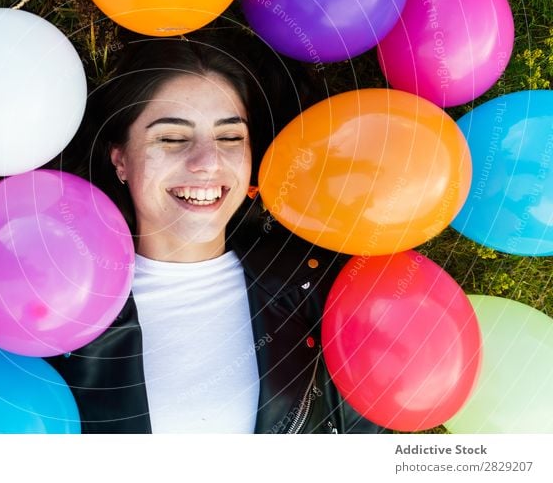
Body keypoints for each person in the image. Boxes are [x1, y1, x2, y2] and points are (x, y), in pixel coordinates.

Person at [47, 26, 384, 434]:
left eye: (229, 136)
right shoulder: (59, 302)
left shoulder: (321, 287)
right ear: (120, 160)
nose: (207, 162)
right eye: (172, 138)